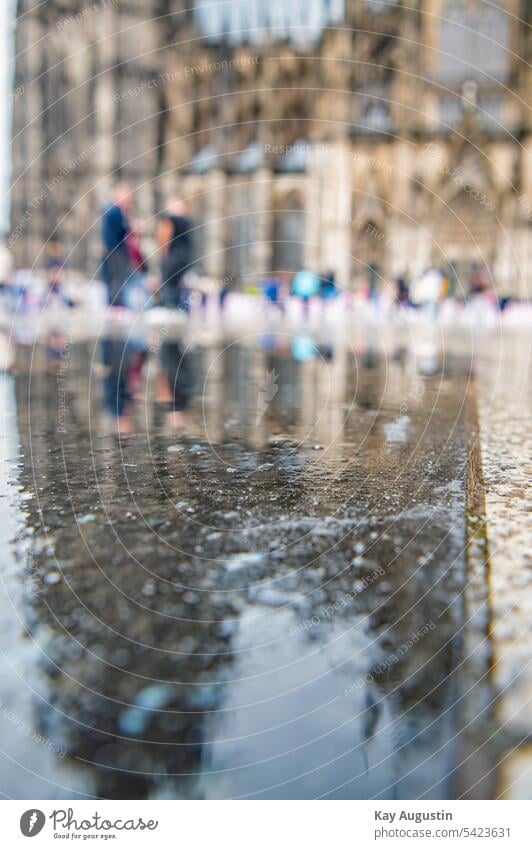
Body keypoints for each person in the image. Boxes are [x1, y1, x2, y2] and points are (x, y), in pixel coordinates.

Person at [101, 184, 134, 306]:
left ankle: (113, 303)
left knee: (113, 277)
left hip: (111, 249)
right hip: (116, 249)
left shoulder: (109, 210)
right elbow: (123, 229)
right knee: (118, 278)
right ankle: (117, 304)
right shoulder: (116, 211)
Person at [156, 199, 193, 310]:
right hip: (185, 257)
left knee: (169, 284)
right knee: (179, 284)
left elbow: (164, 238)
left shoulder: (170, 220)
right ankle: (181, 309)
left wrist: (163, 254)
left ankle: (170, 307)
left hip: (173, 256)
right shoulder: (187, 221)